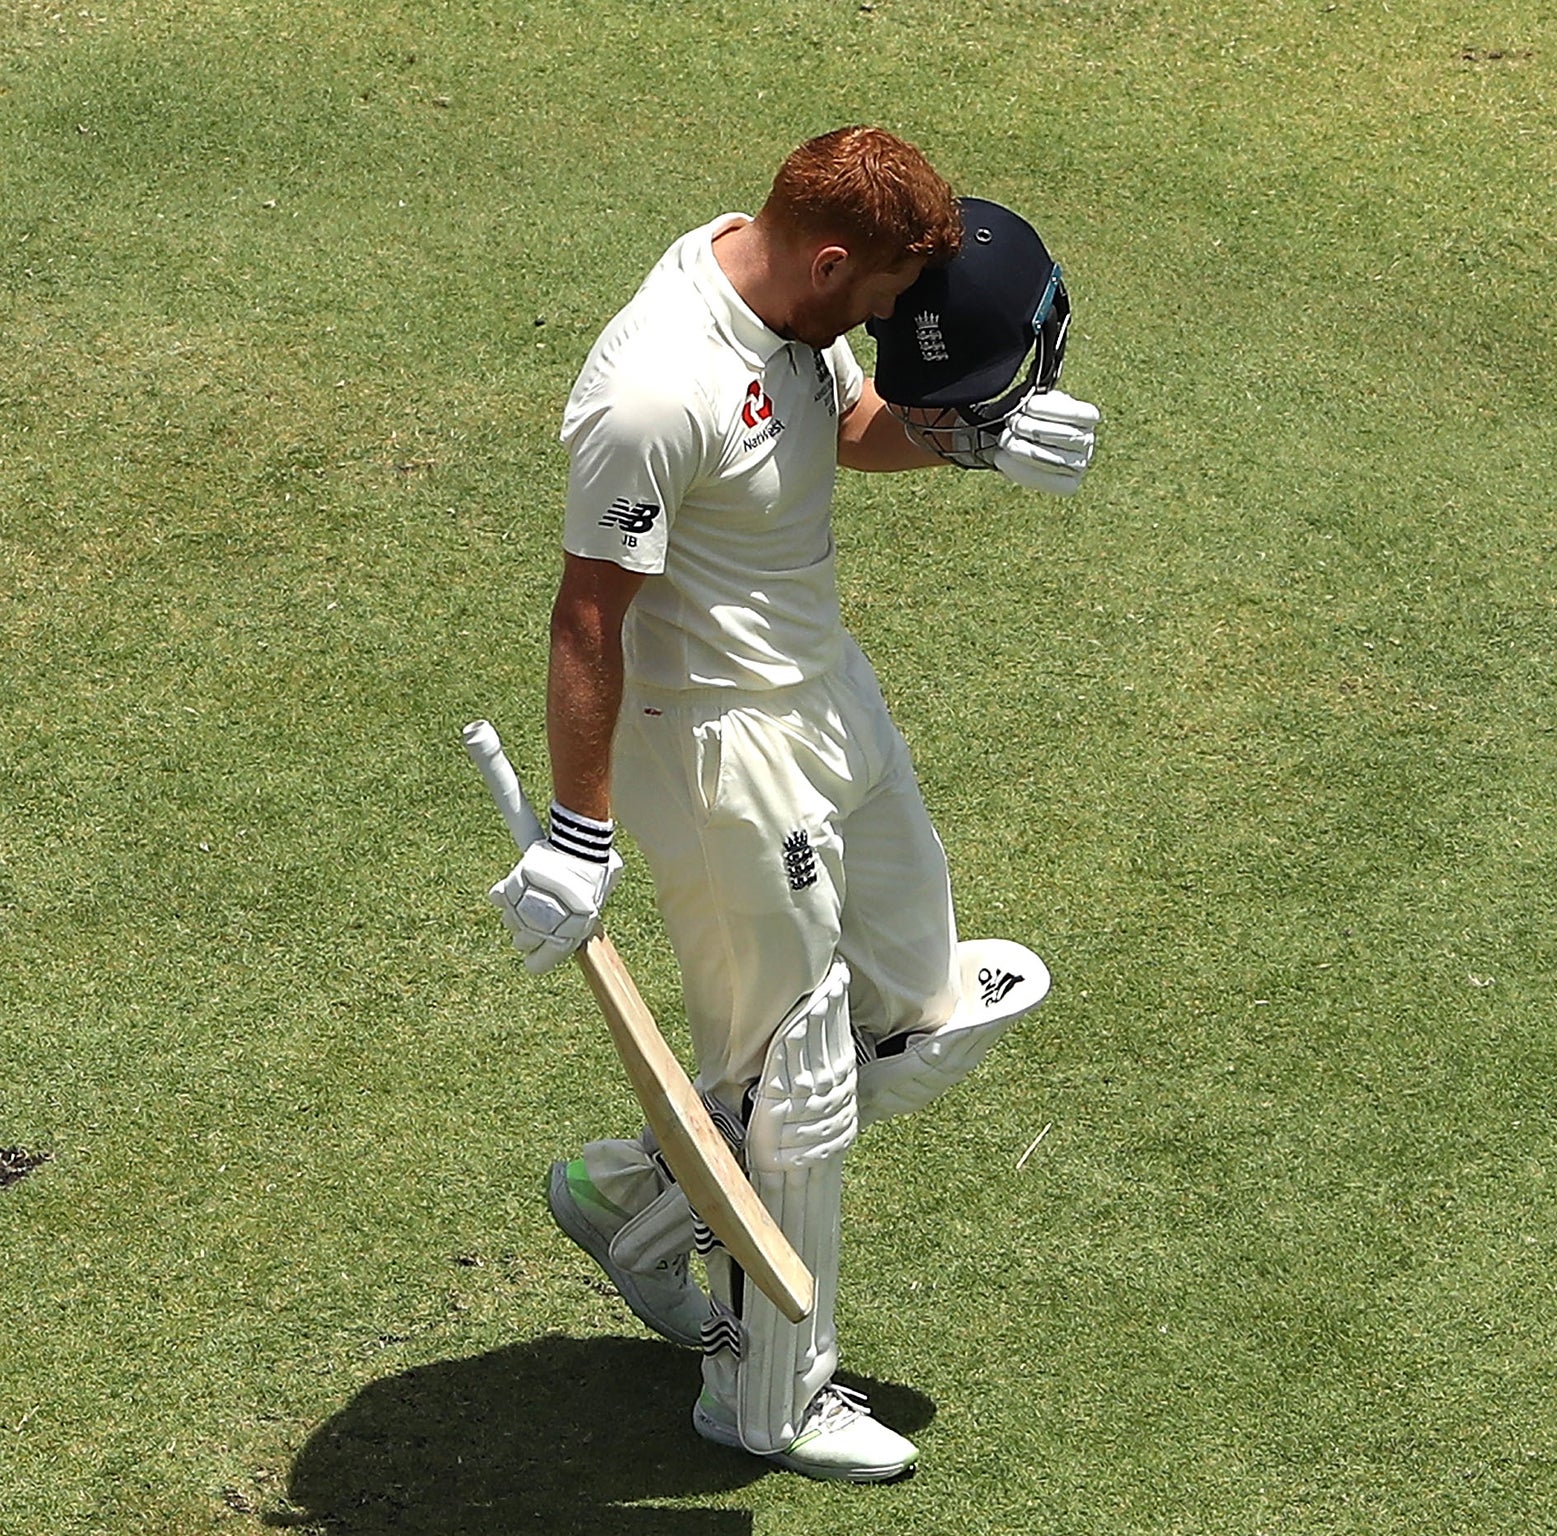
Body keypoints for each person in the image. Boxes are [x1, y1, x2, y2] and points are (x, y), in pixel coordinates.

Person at [486, 127, 1099, 1482]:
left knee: (934, 1004)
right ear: (833, 259)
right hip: (719, 751)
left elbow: (854, 424)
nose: (890, 324)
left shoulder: (782, 291)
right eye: (881, 299)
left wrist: (975, 440)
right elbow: (590, 617)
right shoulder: (653, 389)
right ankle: (764, 1398)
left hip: (830, 694)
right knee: (802, 1077)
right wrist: (581, 836)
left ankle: (638, 1194)